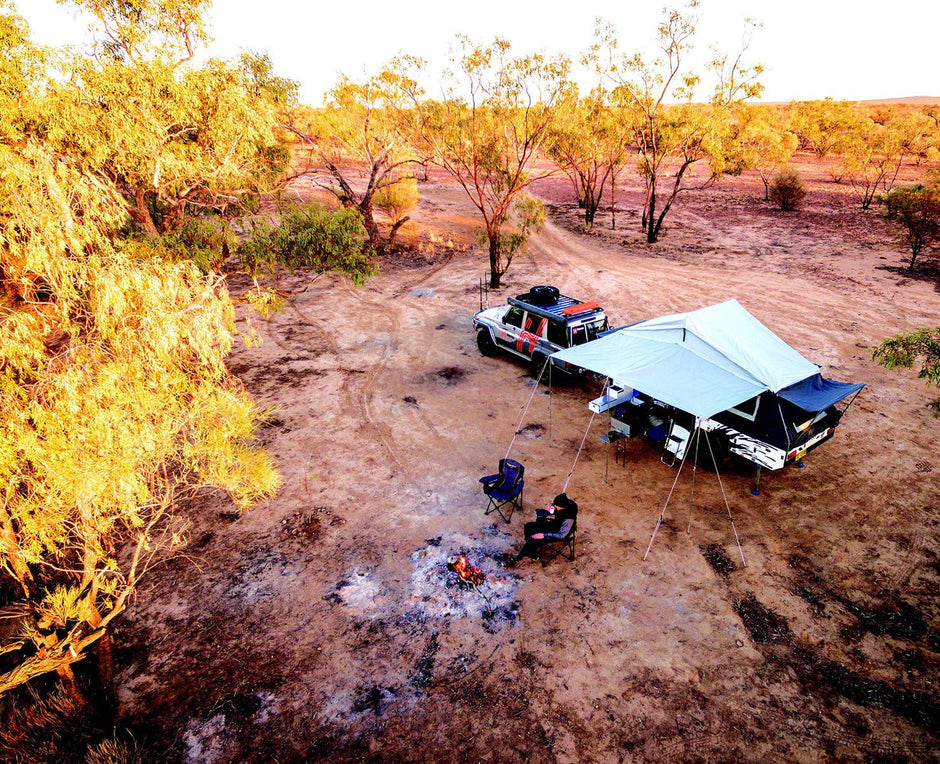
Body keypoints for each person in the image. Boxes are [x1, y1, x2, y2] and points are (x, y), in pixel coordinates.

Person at [507, 493, 577, 566]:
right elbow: (554, 505)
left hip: (558, 533)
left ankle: (517, 557)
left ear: (563, 507)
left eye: (556, 506)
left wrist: (543, 535)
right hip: (554, 525)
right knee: (528, 526)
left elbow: (562, 535)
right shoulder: (565, 504)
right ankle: (530, 550)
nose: (555, 506)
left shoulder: (569, 519)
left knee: (533, 538)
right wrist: (551, 505)